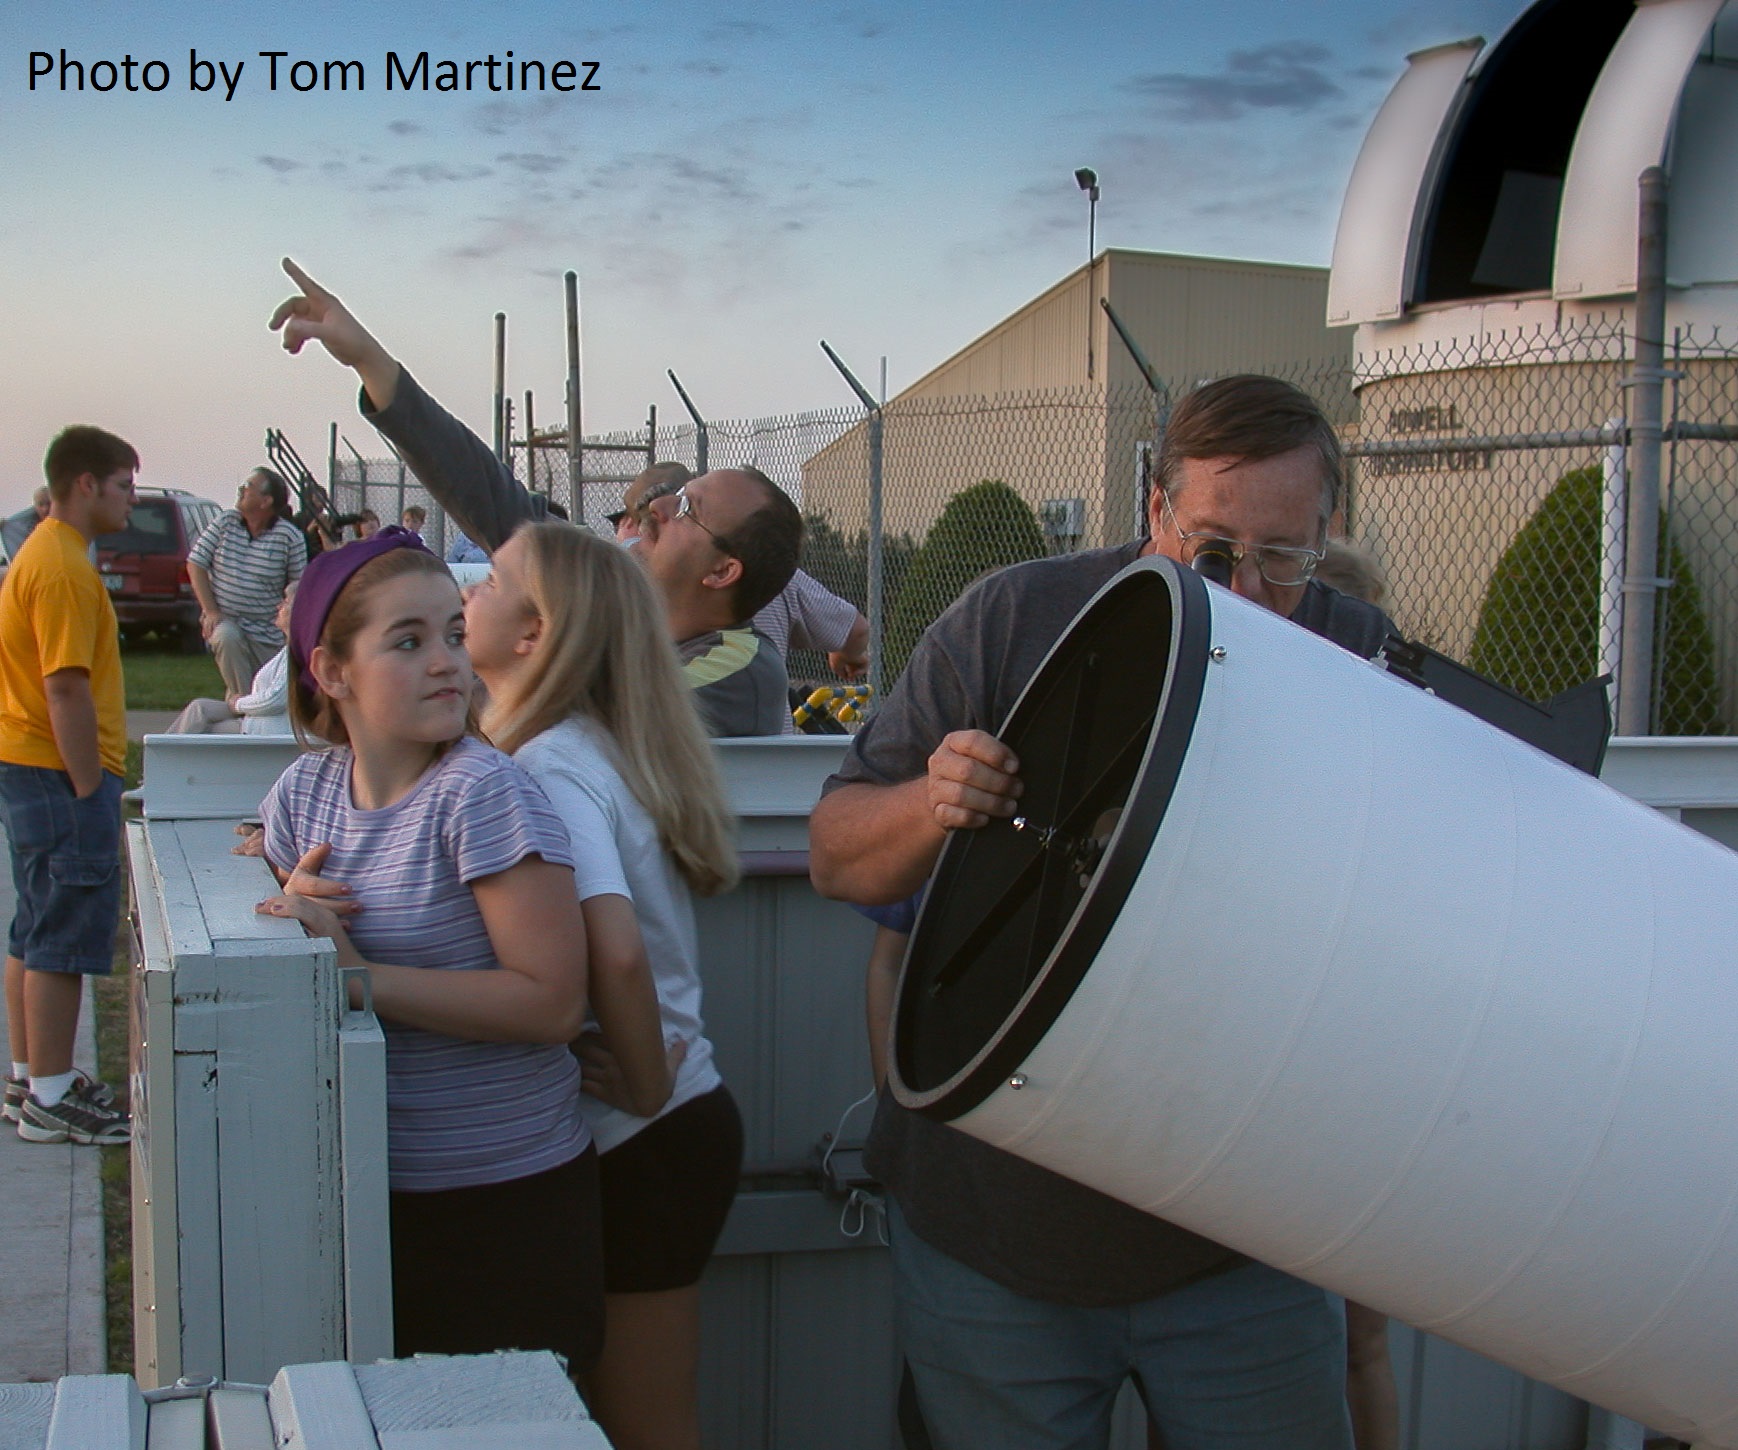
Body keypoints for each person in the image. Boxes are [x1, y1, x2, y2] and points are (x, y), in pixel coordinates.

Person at [810, 375, 1395, 1450]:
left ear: (1328, 533)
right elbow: (836, 855)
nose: (1250, 592)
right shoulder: (1012, 618)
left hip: (1241, 1236)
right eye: (1214, 553)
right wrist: (931, 802)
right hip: (995, 1233)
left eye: (1284, 561)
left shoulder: (1358, 652)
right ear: (1155, 509)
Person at [252, 528, 603, 1373]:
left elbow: (553, 1001)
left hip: (504, 1204)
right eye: (408, 642)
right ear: (331, 673)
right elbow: (267, 874)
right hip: (370, 1194)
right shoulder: (306, 793)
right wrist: (286, 896)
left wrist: (357, 978)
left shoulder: (484, 795)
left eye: (453, 632)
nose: (448, 661)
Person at [465, 520, 742, 1450]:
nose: (470, 588)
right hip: (650, 1141)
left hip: (650, 1139)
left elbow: (614, 949)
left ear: (534, 635)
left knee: (647, 1428)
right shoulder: (572, 746)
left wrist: (647, 1084)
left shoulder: (548, 765)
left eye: (492, 578)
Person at [269, 260, 802, 737]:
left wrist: (507, 647)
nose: (656, 507)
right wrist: (368, 360)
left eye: (688, 508)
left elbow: (592, 721)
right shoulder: (620, 613)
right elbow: (494, 501)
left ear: (722, 571)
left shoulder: (738, 670)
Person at [0, 427, 137, 1145]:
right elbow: (65, 688)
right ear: (84, 483)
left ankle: (32, 1076)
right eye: (124, 486)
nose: (131, 501)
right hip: (59, 770)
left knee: (34, 922)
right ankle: (52, 1100)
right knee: (62, 928)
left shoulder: (46, 555)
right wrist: (89, 787)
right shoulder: (60, 569)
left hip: (33, 764)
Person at [188, 467, 306, 699]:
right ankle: (244, 707)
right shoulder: (225, 522)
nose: (241, 489)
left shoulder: (289, 537)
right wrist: (210, 611)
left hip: (268, 633)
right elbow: (196, 564)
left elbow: (298, 588)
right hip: (228, 621)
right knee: (226, 637)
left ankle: (245, 711)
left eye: (249, 486)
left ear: (266, 501)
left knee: (273, 693)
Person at [166, 584, 296, 736]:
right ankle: (157, 753)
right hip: (258, 718)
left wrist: (239, 704)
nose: (278, 606)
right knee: (199, 708)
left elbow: (275, 700)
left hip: (268, 729)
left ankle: (160, 756)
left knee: (203, 729)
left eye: (286, 602)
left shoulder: (297, 652)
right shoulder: (289, 649)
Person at [1, 486, 51, 560]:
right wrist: (6, 526)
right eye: (41, 505)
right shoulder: (25, 527)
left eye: (49, 503)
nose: (45, 509)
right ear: (35, 506)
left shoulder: (68, 520)